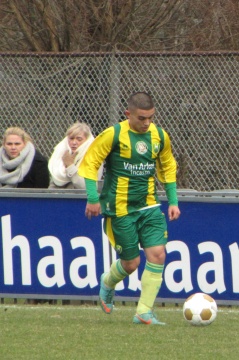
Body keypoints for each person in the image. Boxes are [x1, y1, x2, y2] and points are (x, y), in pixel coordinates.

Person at [78, 92, 181, 325]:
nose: (146, 123)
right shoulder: (113, 135)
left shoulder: (160, 136)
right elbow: (90, 162)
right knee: (131, 263)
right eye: (141, 118)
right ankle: (108, 281)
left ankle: (143, 312)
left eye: (151, 118)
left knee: (158, 254)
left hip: (150, 206)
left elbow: (168, 167)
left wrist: (173, 201)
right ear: (128, 114)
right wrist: (93, 198)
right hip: (119, 210)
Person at [49, 122, 102, 189]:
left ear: (87, 140)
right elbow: (53, 184)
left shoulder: (94, 157)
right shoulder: (62, 154)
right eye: (71, 138)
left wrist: (70, 166)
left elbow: (87, 187)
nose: (74, 142)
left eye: (79, 139)